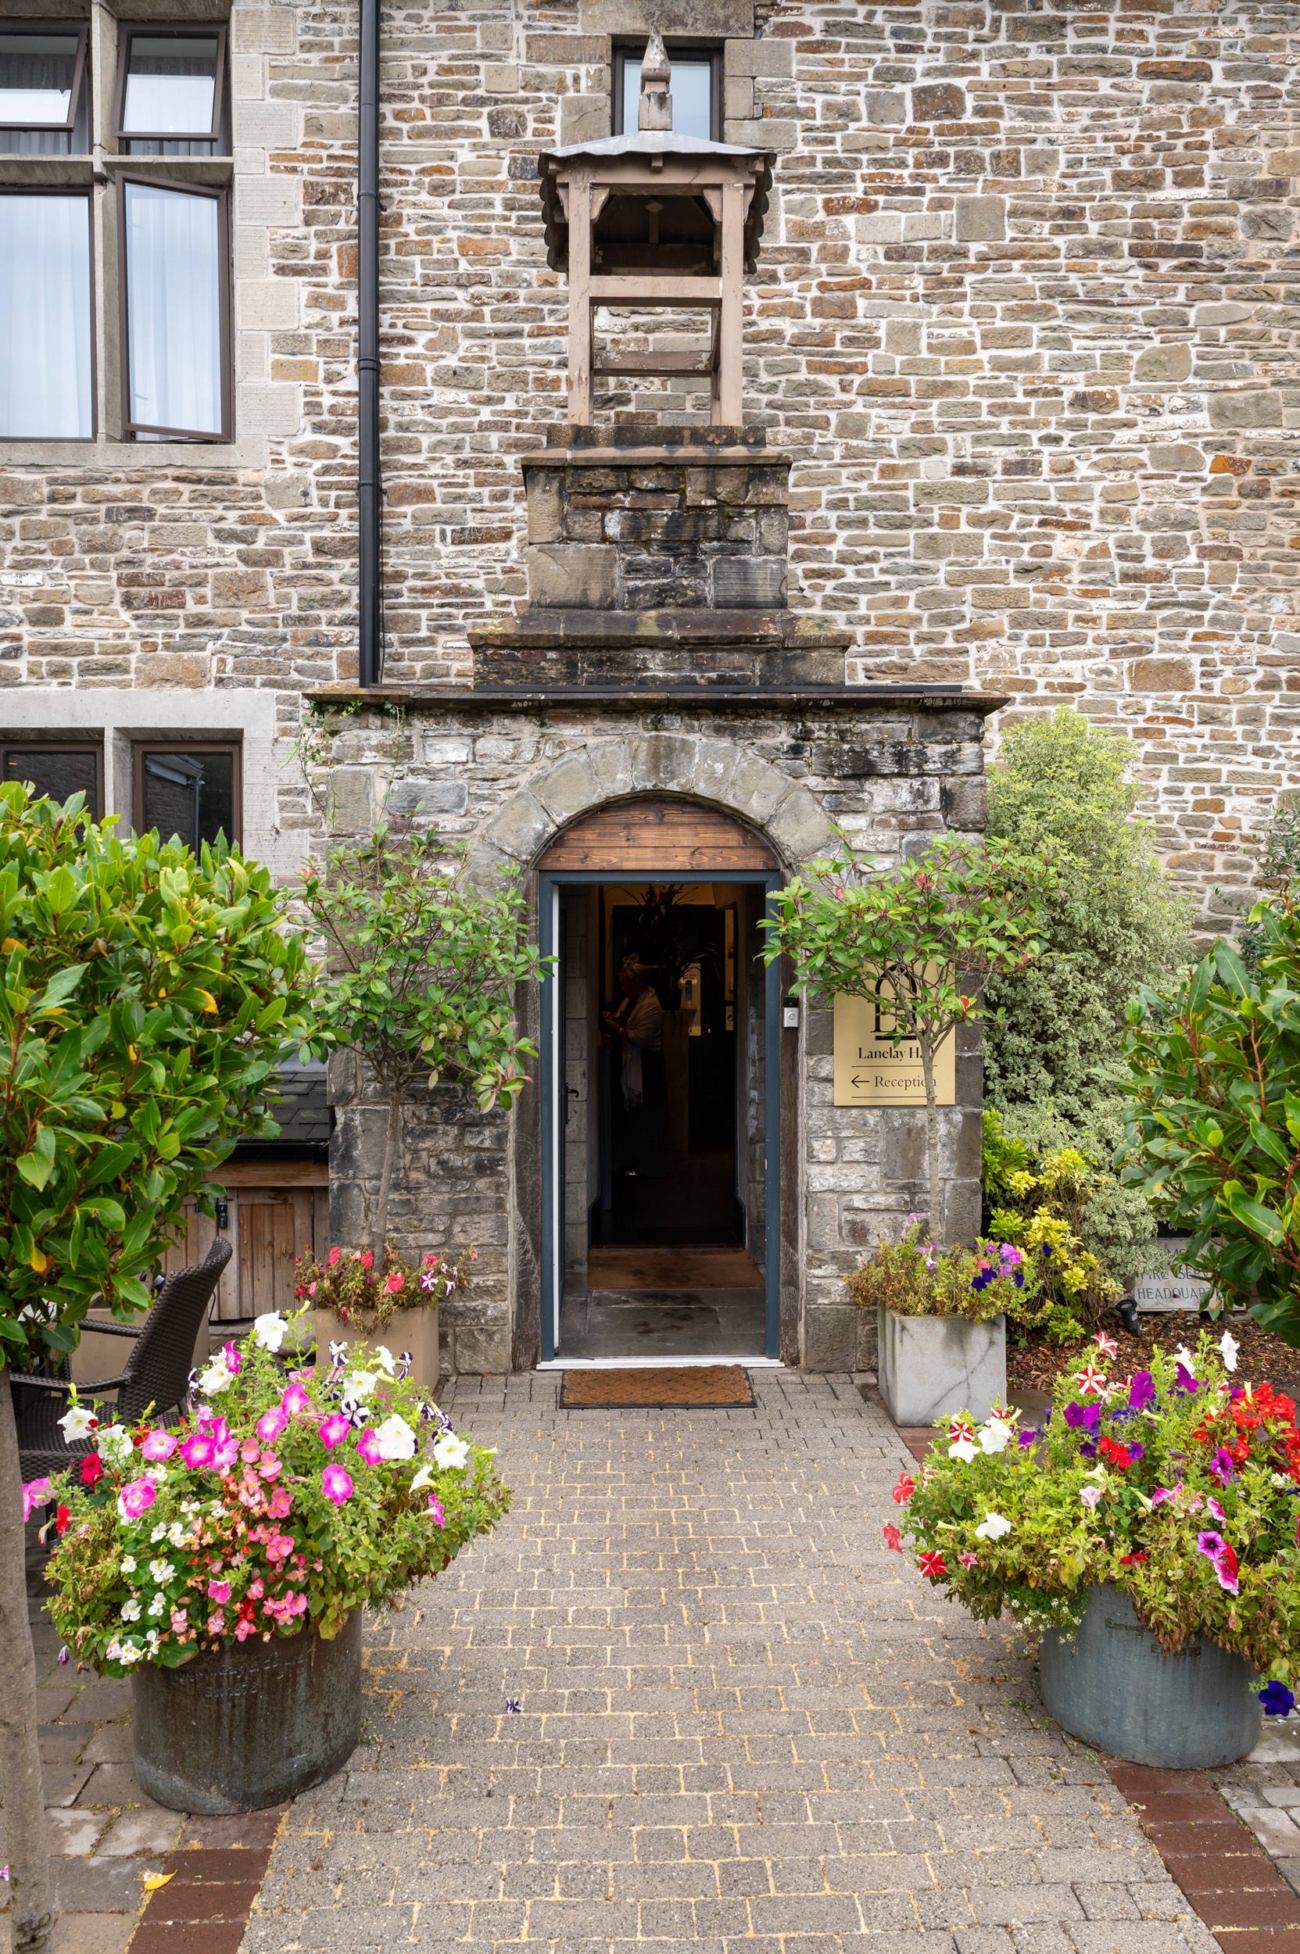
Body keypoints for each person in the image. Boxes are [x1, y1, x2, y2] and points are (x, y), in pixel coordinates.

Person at [602, 958, 670, 1178]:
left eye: (626, 985)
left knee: (648, 1115)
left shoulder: (651, 1005)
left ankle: (650, 1165)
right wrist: (613, 1018)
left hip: (647, 1065)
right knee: (633, 1117)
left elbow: (642, 1037)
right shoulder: (629, 1001)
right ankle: (632, 1162)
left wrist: (618, 1029)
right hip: (633, 1061)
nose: (622, 989)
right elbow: (624, 1019)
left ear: (637, 984)